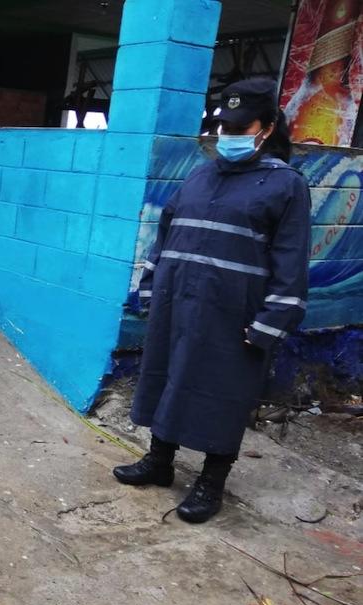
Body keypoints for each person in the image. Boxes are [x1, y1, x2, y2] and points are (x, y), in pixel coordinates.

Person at [114, 78, 311, 523]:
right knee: (167, 378)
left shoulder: (286, 186)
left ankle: (211, 482)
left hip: (232, 316)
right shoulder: (201, 175)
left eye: (243, 127)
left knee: (222, 394)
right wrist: (150, 288)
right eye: (226, 126)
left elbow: (292, 262)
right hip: (176, 305)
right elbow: (164, 236)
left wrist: (269, 322)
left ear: (267, 127)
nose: (231, 135)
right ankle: (159, 461)